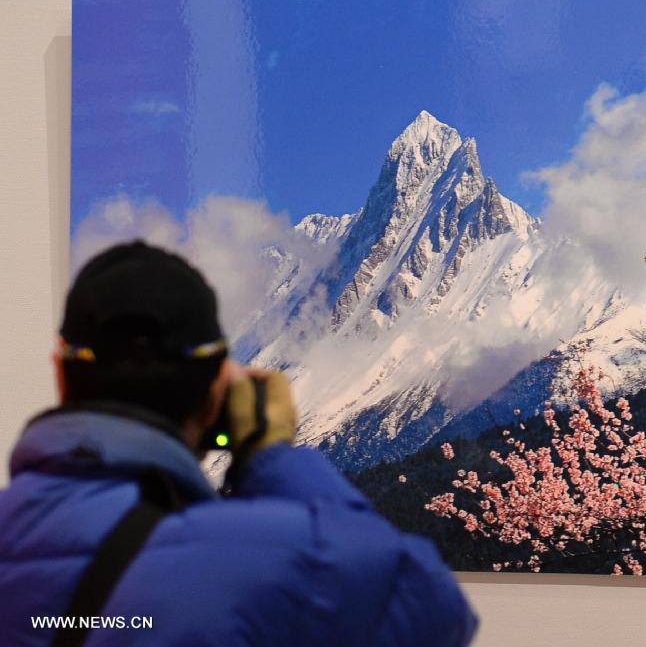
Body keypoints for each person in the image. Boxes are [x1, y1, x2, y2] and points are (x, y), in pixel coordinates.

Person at [0, 241, 477, 647]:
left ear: (61, 377)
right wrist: (270, 458)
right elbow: (432, 608)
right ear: (217, 391)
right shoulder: (268, 564)